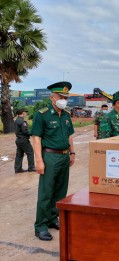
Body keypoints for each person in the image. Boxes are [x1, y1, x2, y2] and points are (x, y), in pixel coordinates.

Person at [31, 81, 75, 241]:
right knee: (46, 193)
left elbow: (70, 135)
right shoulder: (41, 114)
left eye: (66, 97)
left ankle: (52, 219)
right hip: (50, 157)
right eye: (61, 96)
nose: (64, 99)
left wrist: (72, 153)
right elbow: (36, 137)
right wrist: (39, 160)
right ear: (52, 97)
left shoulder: (66, 115)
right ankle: (40, 226)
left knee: (60, 192)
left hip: (64, 157)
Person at [14, 108, 35, 173]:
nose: (26, 113)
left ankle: (18, 169)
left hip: (18, 140)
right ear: (23, 113)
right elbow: (25, 131)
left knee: (19, 154)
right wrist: (32, 133)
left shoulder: (16, 120)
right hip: (24, 140)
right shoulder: (22, 121)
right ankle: (31, 167)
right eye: (25, 112)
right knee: (30, 152)